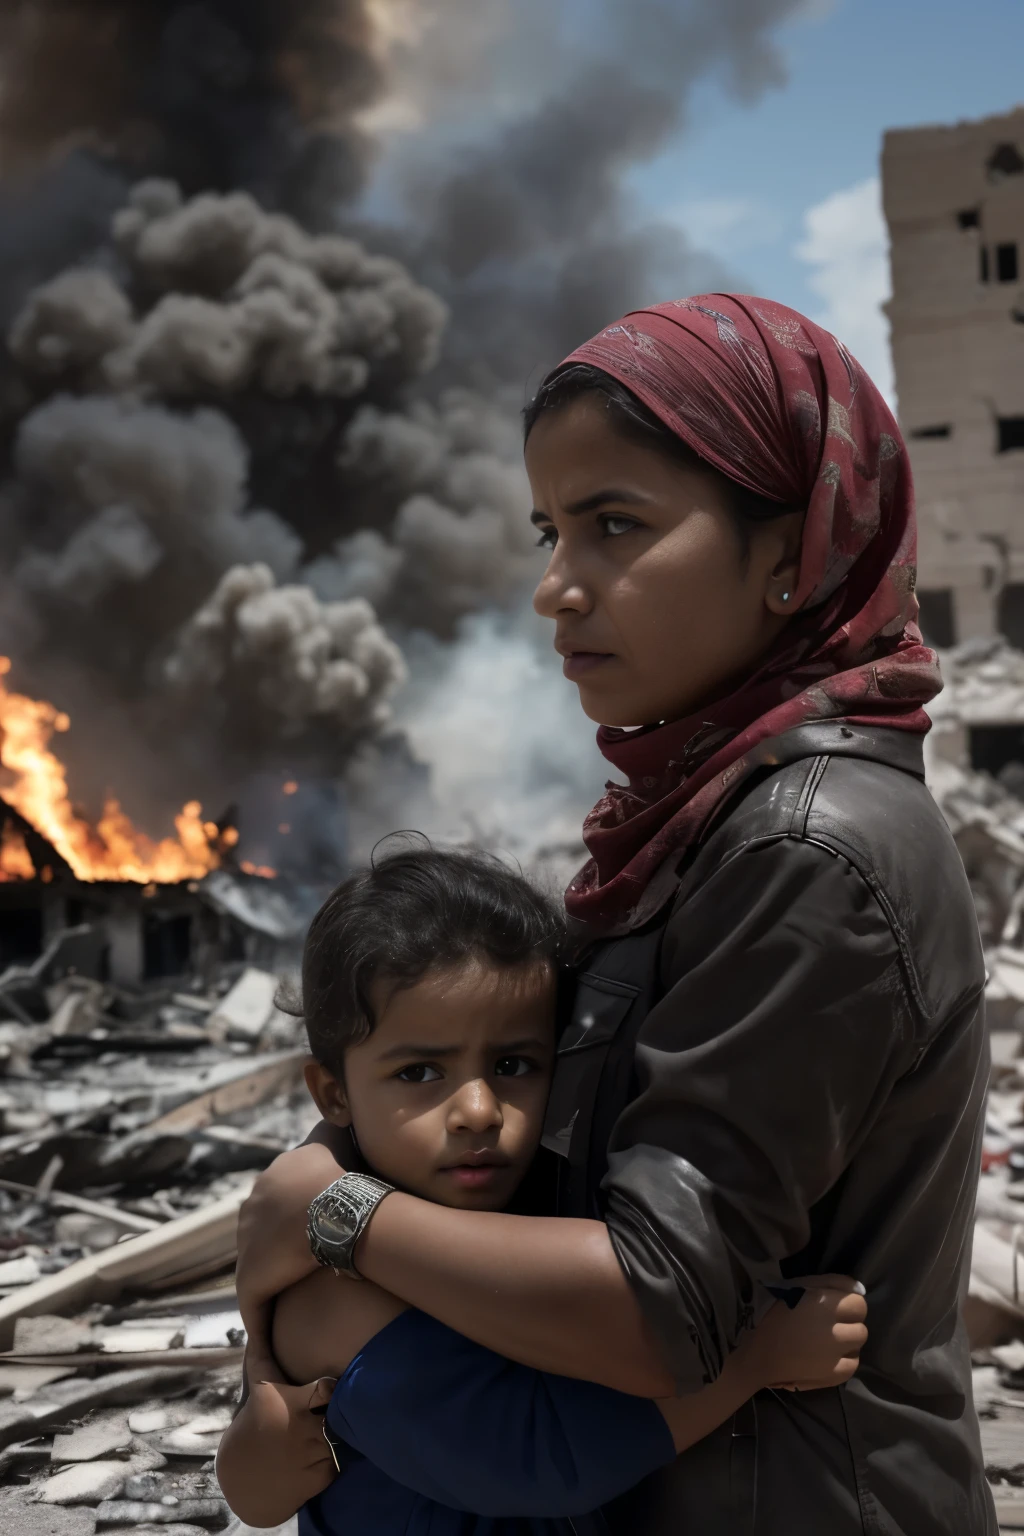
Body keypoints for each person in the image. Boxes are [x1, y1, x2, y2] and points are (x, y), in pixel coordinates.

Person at [232, 296, 994, 1533]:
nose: (556, 589)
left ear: (793, 551)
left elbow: (656, 1307)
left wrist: (337, 1218)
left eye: (614, 527)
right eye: (549, 532)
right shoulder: (699, 823)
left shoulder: (807, 851)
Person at [217, 843, 867, 1534]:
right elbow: (533, 1454)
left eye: (512, 1063)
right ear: (333, 1093)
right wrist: (754, 1359)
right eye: (418, 1074)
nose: (478, 1110)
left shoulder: (507, 1204)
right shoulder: (334, 1295)